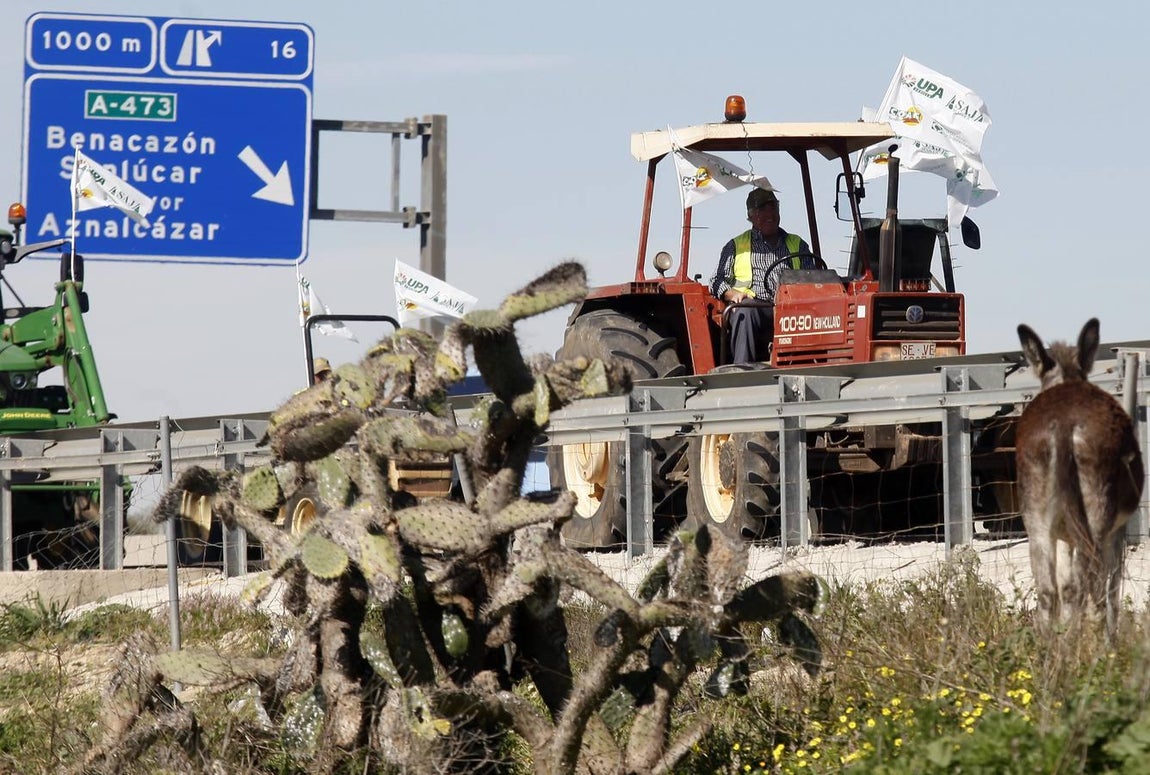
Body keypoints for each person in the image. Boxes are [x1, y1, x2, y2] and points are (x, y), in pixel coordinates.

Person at [710, 187, 818, 364]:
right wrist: (732, 294)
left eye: (773, 208)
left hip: (791, 306)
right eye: (762, 209)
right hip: (755, 306)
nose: (770, 214)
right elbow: (716, 281)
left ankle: (820, 365)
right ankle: (742, 371)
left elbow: (812, 277)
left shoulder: (797, 243)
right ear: (750, 216)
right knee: (744, 312)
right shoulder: (736, 246)